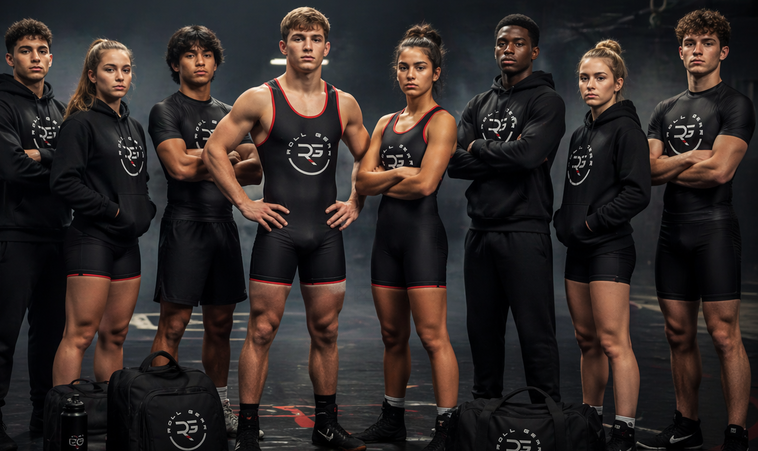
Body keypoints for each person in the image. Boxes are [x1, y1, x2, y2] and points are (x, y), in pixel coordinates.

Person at [202, 7, 370, 451]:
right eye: (299, 39)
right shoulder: (260, 99)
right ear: (285, 46)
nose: (308, 46)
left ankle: (326, 426)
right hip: (278, 233)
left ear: (326, 48)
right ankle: (249, 430)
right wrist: (244, 203)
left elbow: (368, 159)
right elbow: (214, 151)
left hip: (324, 235)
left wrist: (356, 199)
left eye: (315, 39)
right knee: (261, 329)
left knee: (327, 331)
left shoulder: (344, 103)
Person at [638, 9, 755, 451]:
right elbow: (646, 174)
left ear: (722, 51)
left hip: (714, 230)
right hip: (672, 232)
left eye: (706, 43)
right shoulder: (664, 109)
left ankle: (736, 433)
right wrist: (691, 158)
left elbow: (721, 172)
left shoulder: (735, 104)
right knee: (677, 334)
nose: (696, 50)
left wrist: (670, 165)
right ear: (681, 50)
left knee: (724, 334)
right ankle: (686, 425)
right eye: (689, 43)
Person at [147, 25, 262, 437]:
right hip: (184, 227)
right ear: (176, 63)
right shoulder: (166, 111)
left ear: (215, 61)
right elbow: (176, 168)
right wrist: (224, 156)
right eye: (190, 54)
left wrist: (212, 158)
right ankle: (158, 409)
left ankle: (220, 408)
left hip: (222, 227)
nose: (200, 61)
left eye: (207, 54)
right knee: (174, 326)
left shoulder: (229, 112)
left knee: (220, 326)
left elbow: (256, 168)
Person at [446, 13, 564, 403]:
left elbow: (529, 155)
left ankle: (547, 417)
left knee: (535, 332)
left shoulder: (547, 101)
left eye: (516, 43)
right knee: (482, 332)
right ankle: (484, 416)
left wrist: (478, 147)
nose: (507, 49)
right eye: (501, 43)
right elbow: (452, 161)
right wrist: (503, 158)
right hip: (480, 233)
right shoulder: (479, 102)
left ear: (534, 50)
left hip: (525, 230)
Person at [352, 24, 458, 451]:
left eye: (419, 67)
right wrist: (397, 173)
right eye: (403, 67)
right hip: (387, 242)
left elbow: (426, 185)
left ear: (435, 72)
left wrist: (383, 178)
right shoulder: (385, 122)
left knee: (433, 336)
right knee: (392, 337)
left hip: (422, 239)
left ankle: (447, 428)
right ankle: (392, 418)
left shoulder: (442, 121)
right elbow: (361, 179)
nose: (410, 74)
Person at [0, 18, 70, 450]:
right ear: (11, 58)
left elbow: (78, 164)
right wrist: (60, 167)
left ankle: (40, 413)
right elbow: (13, 168)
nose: (35, 57)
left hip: (57, 235)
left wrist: (45, 154)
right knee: (2, 332)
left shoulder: (60, 109)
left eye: (41, 50)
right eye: (26, 51)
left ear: (50, 57)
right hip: (14, 235)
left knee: (50, 333)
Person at [553, 40, 650, 451]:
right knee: (586, 339)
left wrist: (591, 222)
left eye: (600, 78)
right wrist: (565, 221)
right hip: (578, 248)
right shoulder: (580, 132)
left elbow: (637, 193)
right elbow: (574, 187)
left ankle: (624, 429)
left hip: (609, 246)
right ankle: (591, 417)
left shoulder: (627, 129)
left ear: (618, 83)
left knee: (614, 341)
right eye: (584, 77)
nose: (590, 85)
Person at [50, 39, 156, 386]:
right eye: (110, 69)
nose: (120, 77)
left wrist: (145, 210)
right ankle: (65, 423)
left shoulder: (134, 127)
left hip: (127, 243)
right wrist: (113, 212)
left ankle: (113, 417)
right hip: (91, 239)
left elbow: (140, 180)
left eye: (125, 70)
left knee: (115, 335)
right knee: (80, 334)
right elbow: (64, 183)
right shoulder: (79, 124)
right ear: (93, 75)